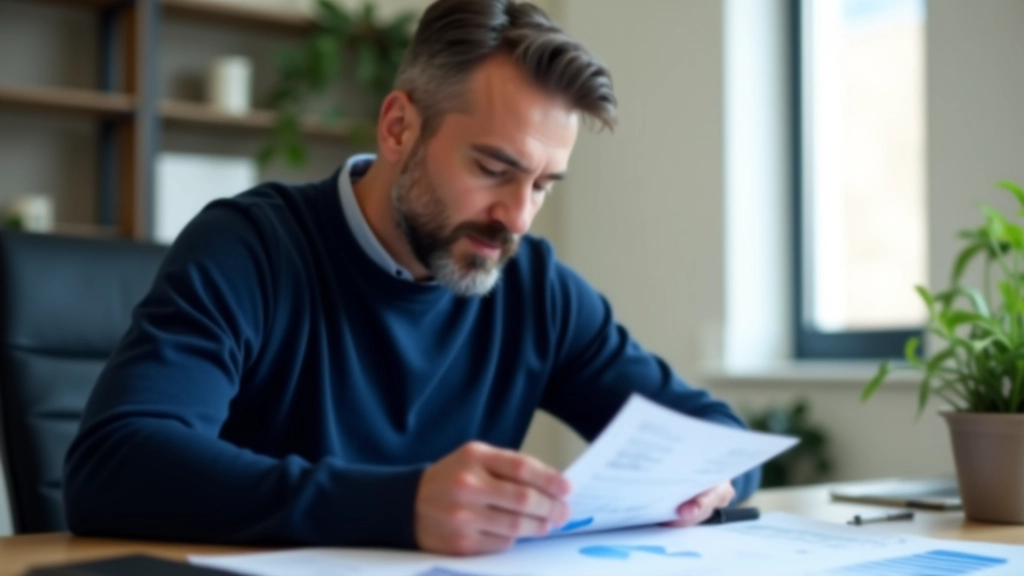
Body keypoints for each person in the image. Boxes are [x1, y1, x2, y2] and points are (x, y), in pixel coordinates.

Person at [63, 0, 760, 556]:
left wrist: (707, 482)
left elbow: (715, 435)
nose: (517, 218)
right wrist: (401, 504)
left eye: (544, 184)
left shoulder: (535, 289)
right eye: (493, 170)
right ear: (399, 128)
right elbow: (115, 466)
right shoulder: (250, 249)